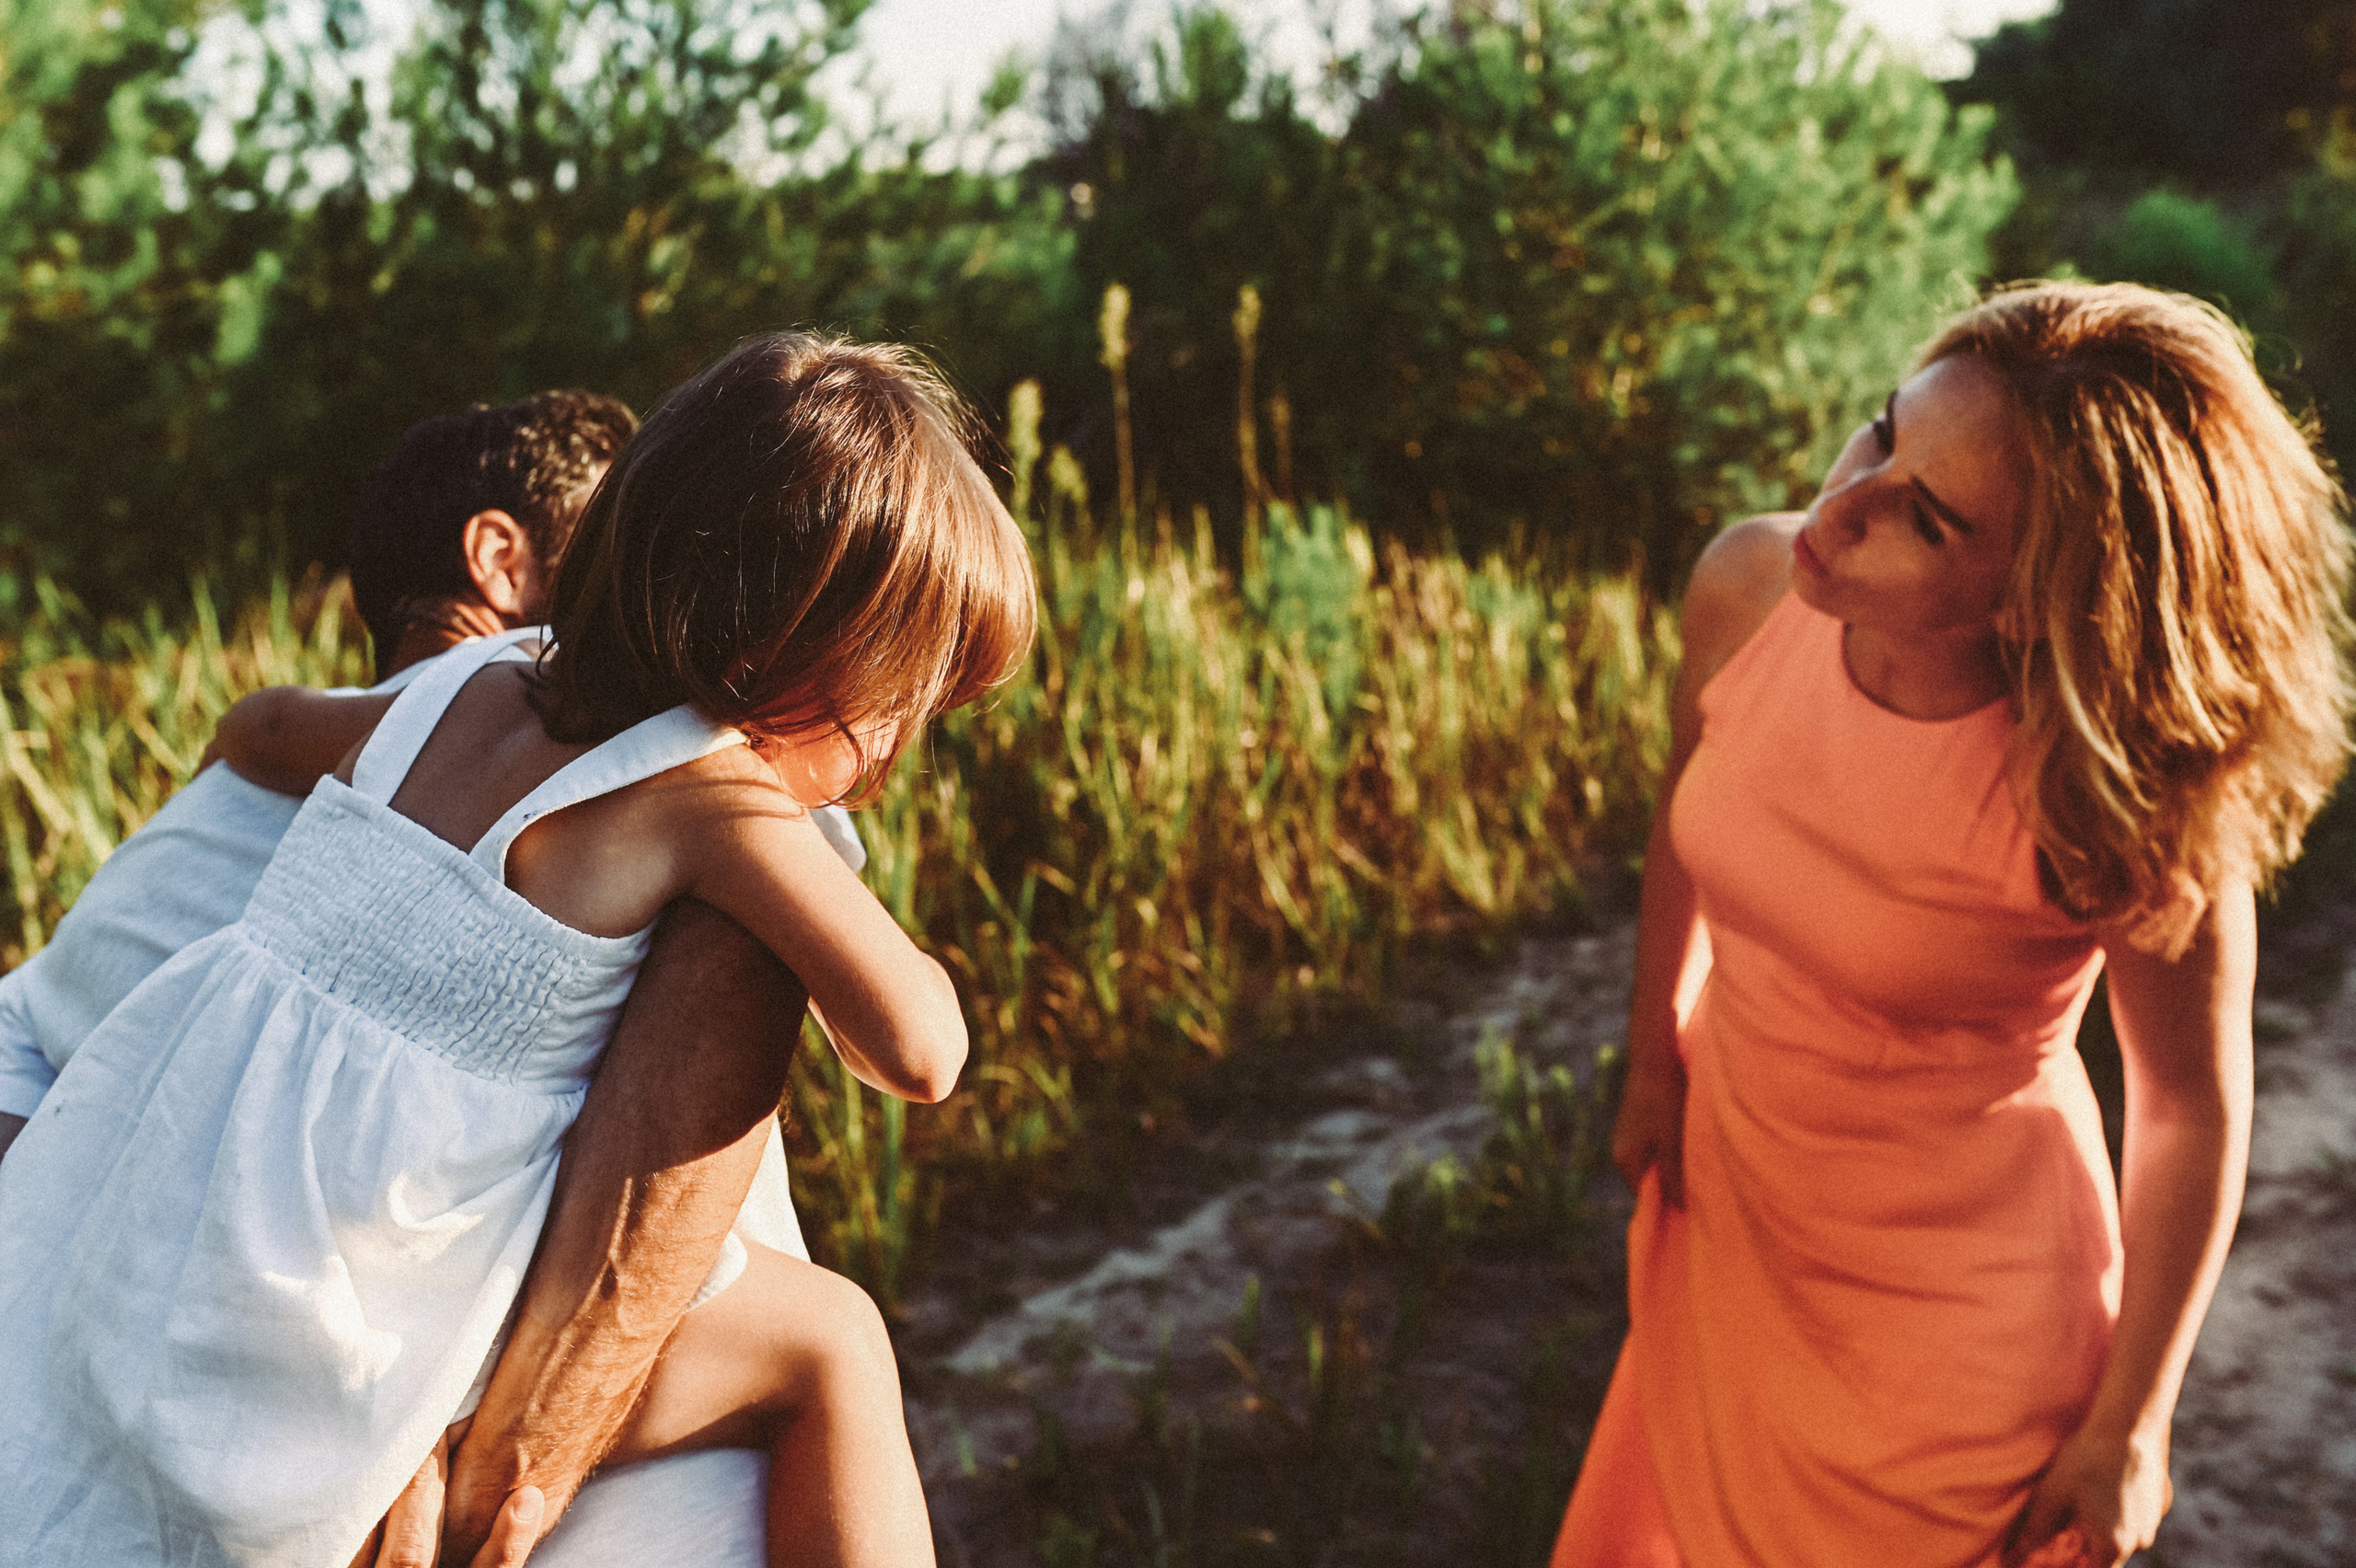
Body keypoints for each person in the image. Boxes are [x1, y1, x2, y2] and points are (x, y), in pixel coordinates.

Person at [0, 331, 1034, 1567]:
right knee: (834, 1344)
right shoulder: (715, 807)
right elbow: (921, 1050)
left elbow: (262, 727)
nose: (895, 757)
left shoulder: (454, 695)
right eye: (899, 704)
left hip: (179, 1267)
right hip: (355, 1348)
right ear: (789, 652)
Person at [1551, 282, 2350, 1568]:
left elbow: (2191, 1108)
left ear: (2039, 596)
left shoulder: (2118, 793)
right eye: (1880, 433)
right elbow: (1686, 816)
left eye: (1922, 519)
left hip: (1957, 1332)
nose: (1842, 507)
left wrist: (2135, 1424)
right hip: (1734, 1225)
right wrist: (1654, 1055)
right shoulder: (1752, 588)